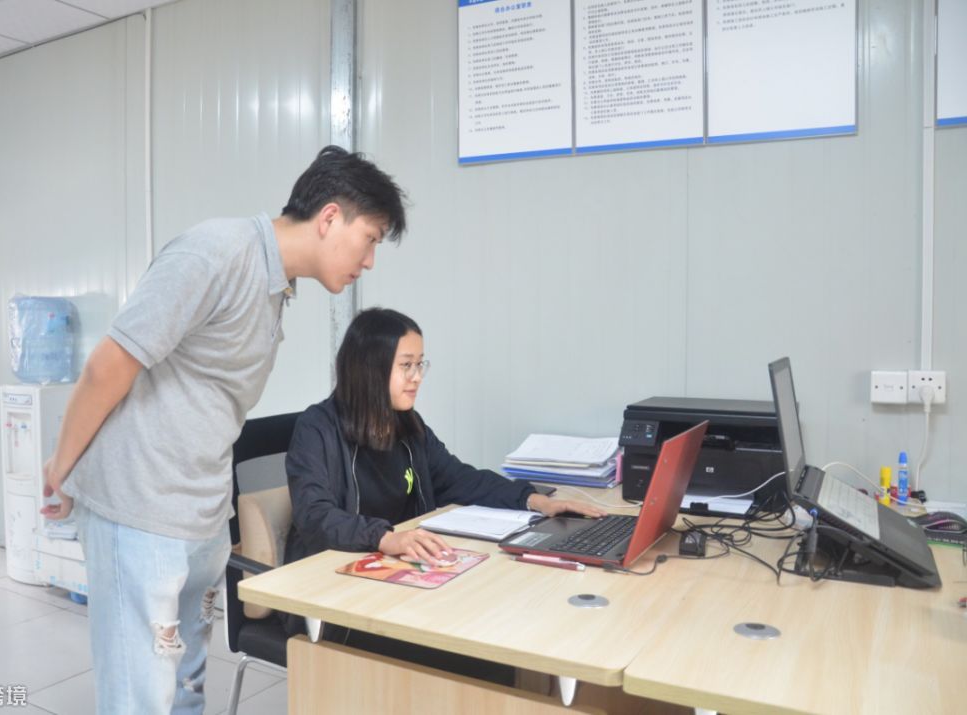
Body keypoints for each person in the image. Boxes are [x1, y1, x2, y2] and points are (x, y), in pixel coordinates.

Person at [40, 146, 408, 715]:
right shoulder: (217, 252)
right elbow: (108, 366)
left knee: (187, 688)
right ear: (331, 217)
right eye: (371, 239)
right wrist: (60, 470)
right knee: (143, 700)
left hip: (199, 514)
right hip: (140, 509)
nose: (370, 260)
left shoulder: (277, 286)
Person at [285, 307, 608, 573]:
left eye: (419, 364)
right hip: (331, 574)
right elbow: (314, 516)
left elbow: (459, 479)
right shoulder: (318, 428)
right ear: (370, 369)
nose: (417, 377)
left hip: (399, 566)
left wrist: (536, 501)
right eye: (406, 365)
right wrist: (386, 538)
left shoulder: (407, 425)